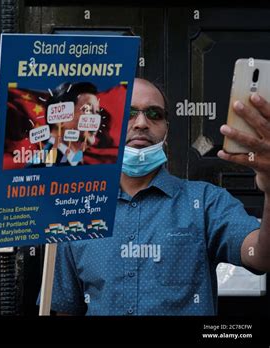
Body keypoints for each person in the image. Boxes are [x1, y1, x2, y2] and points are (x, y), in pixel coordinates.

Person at [45, 78, 270, 315]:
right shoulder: (78, 210)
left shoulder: (205, 202)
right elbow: (66, 307)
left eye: (154, 113)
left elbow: (261, 257)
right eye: (128, 113)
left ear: (166, 129)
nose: (142, 123)